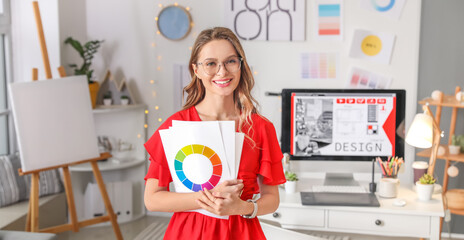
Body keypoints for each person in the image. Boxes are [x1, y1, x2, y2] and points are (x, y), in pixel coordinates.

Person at [144, 27, 286, 240]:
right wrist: (212, 197)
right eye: (211, 63)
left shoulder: (260, 127)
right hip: (188, 233)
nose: (222, 72)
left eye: (230, 61)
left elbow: (272, 199)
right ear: (197, 70)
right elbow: (152, 199)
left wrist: (243, 207)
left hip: (241, 232)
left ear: (240, 66)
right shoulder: (176, 126)